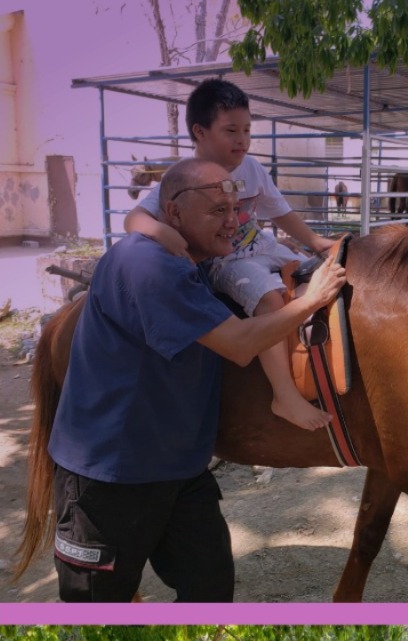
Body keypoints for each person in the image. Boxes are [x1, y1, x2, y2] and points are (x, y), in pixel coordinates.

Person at [47, 156, 346, 602]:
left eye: (235, 210)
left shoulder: (193, 263)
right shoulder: (148, 265)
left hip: (179, 470)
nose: (233, 223)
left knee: (209, 591)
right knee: (96, 604)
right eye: (216, 212)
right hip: (111, 475)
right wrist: (312, 300)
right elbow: (241, 344)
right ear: (173, 213)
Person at [126, 79, 339, 431]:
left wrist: (315, 242)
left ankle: (319, 362)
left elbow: (279, 210)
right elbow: (134, 217)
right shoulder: (184, 177)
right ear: (200, 132)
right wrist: (161, 230)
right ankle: (283, 395)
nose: (242, 139)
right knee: (269, 299)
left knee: (315, 273)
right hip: (226, 260)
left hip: (261, 244)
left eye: (246, 130)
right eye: (230, 131)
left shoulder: (251, 167)